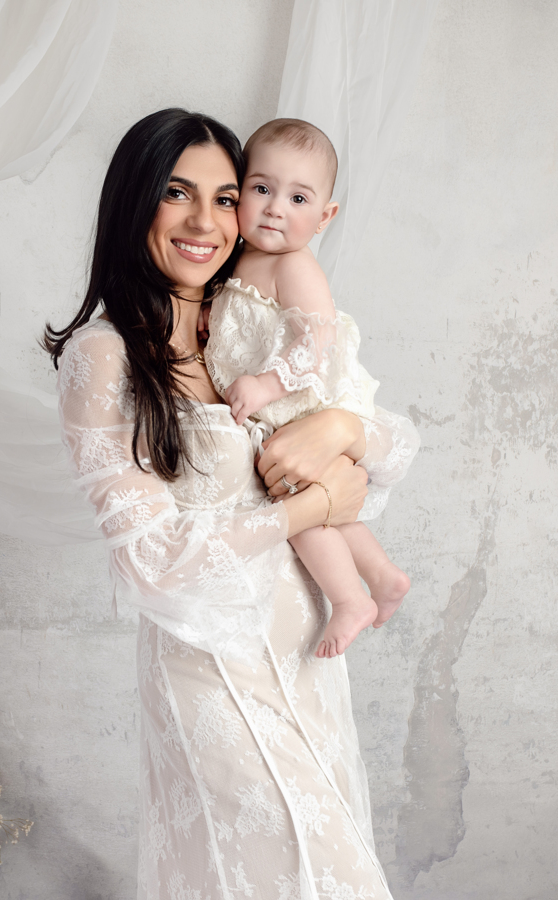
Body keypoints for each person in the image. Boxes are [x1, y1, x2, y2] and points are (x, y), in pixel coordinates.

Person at [45, 108, 416, 899]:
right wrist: (309, 509)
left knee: (326, 858)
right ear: (133, 203)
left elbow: (391, 443)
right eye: (177, 193)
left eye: (223, 197)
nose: (205, 221)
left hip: (306, 649)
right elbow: (151, 559)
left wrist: (341, 428)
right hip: (208, 660)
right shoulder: (103, 356)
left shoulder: (245, 322)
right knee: (293, 871)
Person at [204, 118, 418, 660]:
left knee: (296, 499)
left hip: (304, 402)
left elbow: (314, 342)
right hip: (278, 411)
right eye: (262, 189)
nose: (276, 207)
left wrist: (265, 382)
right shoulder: (240, 261)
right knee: (321, 502)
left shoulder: (294, 265)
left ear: (324, 217)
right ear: (239, 193)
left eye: (298, 198)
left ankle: (349, 599)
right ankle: (383, 575)